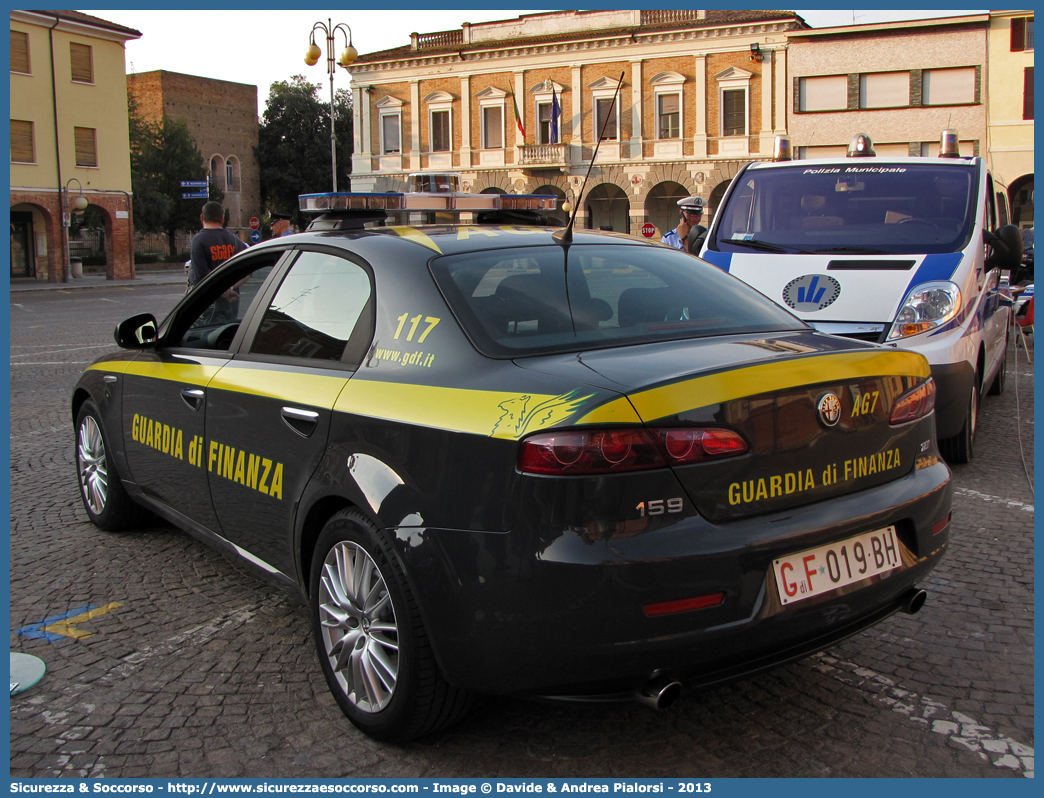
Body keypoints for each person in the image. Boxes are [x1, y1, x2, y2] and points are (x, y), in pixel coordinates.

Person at [187, 201, 247, 292]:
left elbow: (201, 277)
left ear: (201, 218)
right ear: (222, 219)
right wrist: (229, 288)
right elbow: (247, 271)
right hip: (232, 300)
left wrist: (222, 292)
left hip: (208, 300)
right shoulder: (235, 240)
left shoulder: (198, 241)